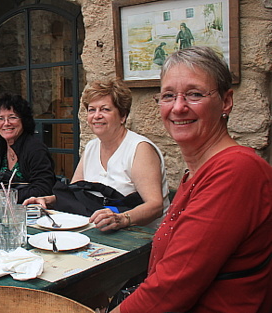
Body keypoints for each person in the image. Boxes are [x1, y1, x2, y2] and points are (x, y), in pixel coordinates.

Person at [113, 46, 272, 313]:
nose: (178, 107)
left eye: (195, 94)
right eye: (168, 96)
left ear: (226, 101)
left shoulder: (237, 171)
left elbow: (172, 287)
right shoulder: (198, 173)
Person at [24, 79, 169, 230]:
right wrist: (47, 200)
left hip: (141, 238)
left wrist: (122, 219)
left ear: (123, 116)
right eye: (92, 110)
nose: (97, 116)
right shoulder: (92, 147)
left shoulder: (139, 149)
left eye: (105, 109)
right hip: (101, 232)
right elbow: (76, 194)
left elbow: (155, 206)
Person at [0, 94, 56, 203]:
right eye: (1, 118)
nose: (6, 123)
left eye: (12, 117)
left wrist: (0, 195)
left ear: (23, 120)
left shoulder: (35, 148)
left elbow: (43, 189)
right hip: (1, 210)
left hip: (27, 212)